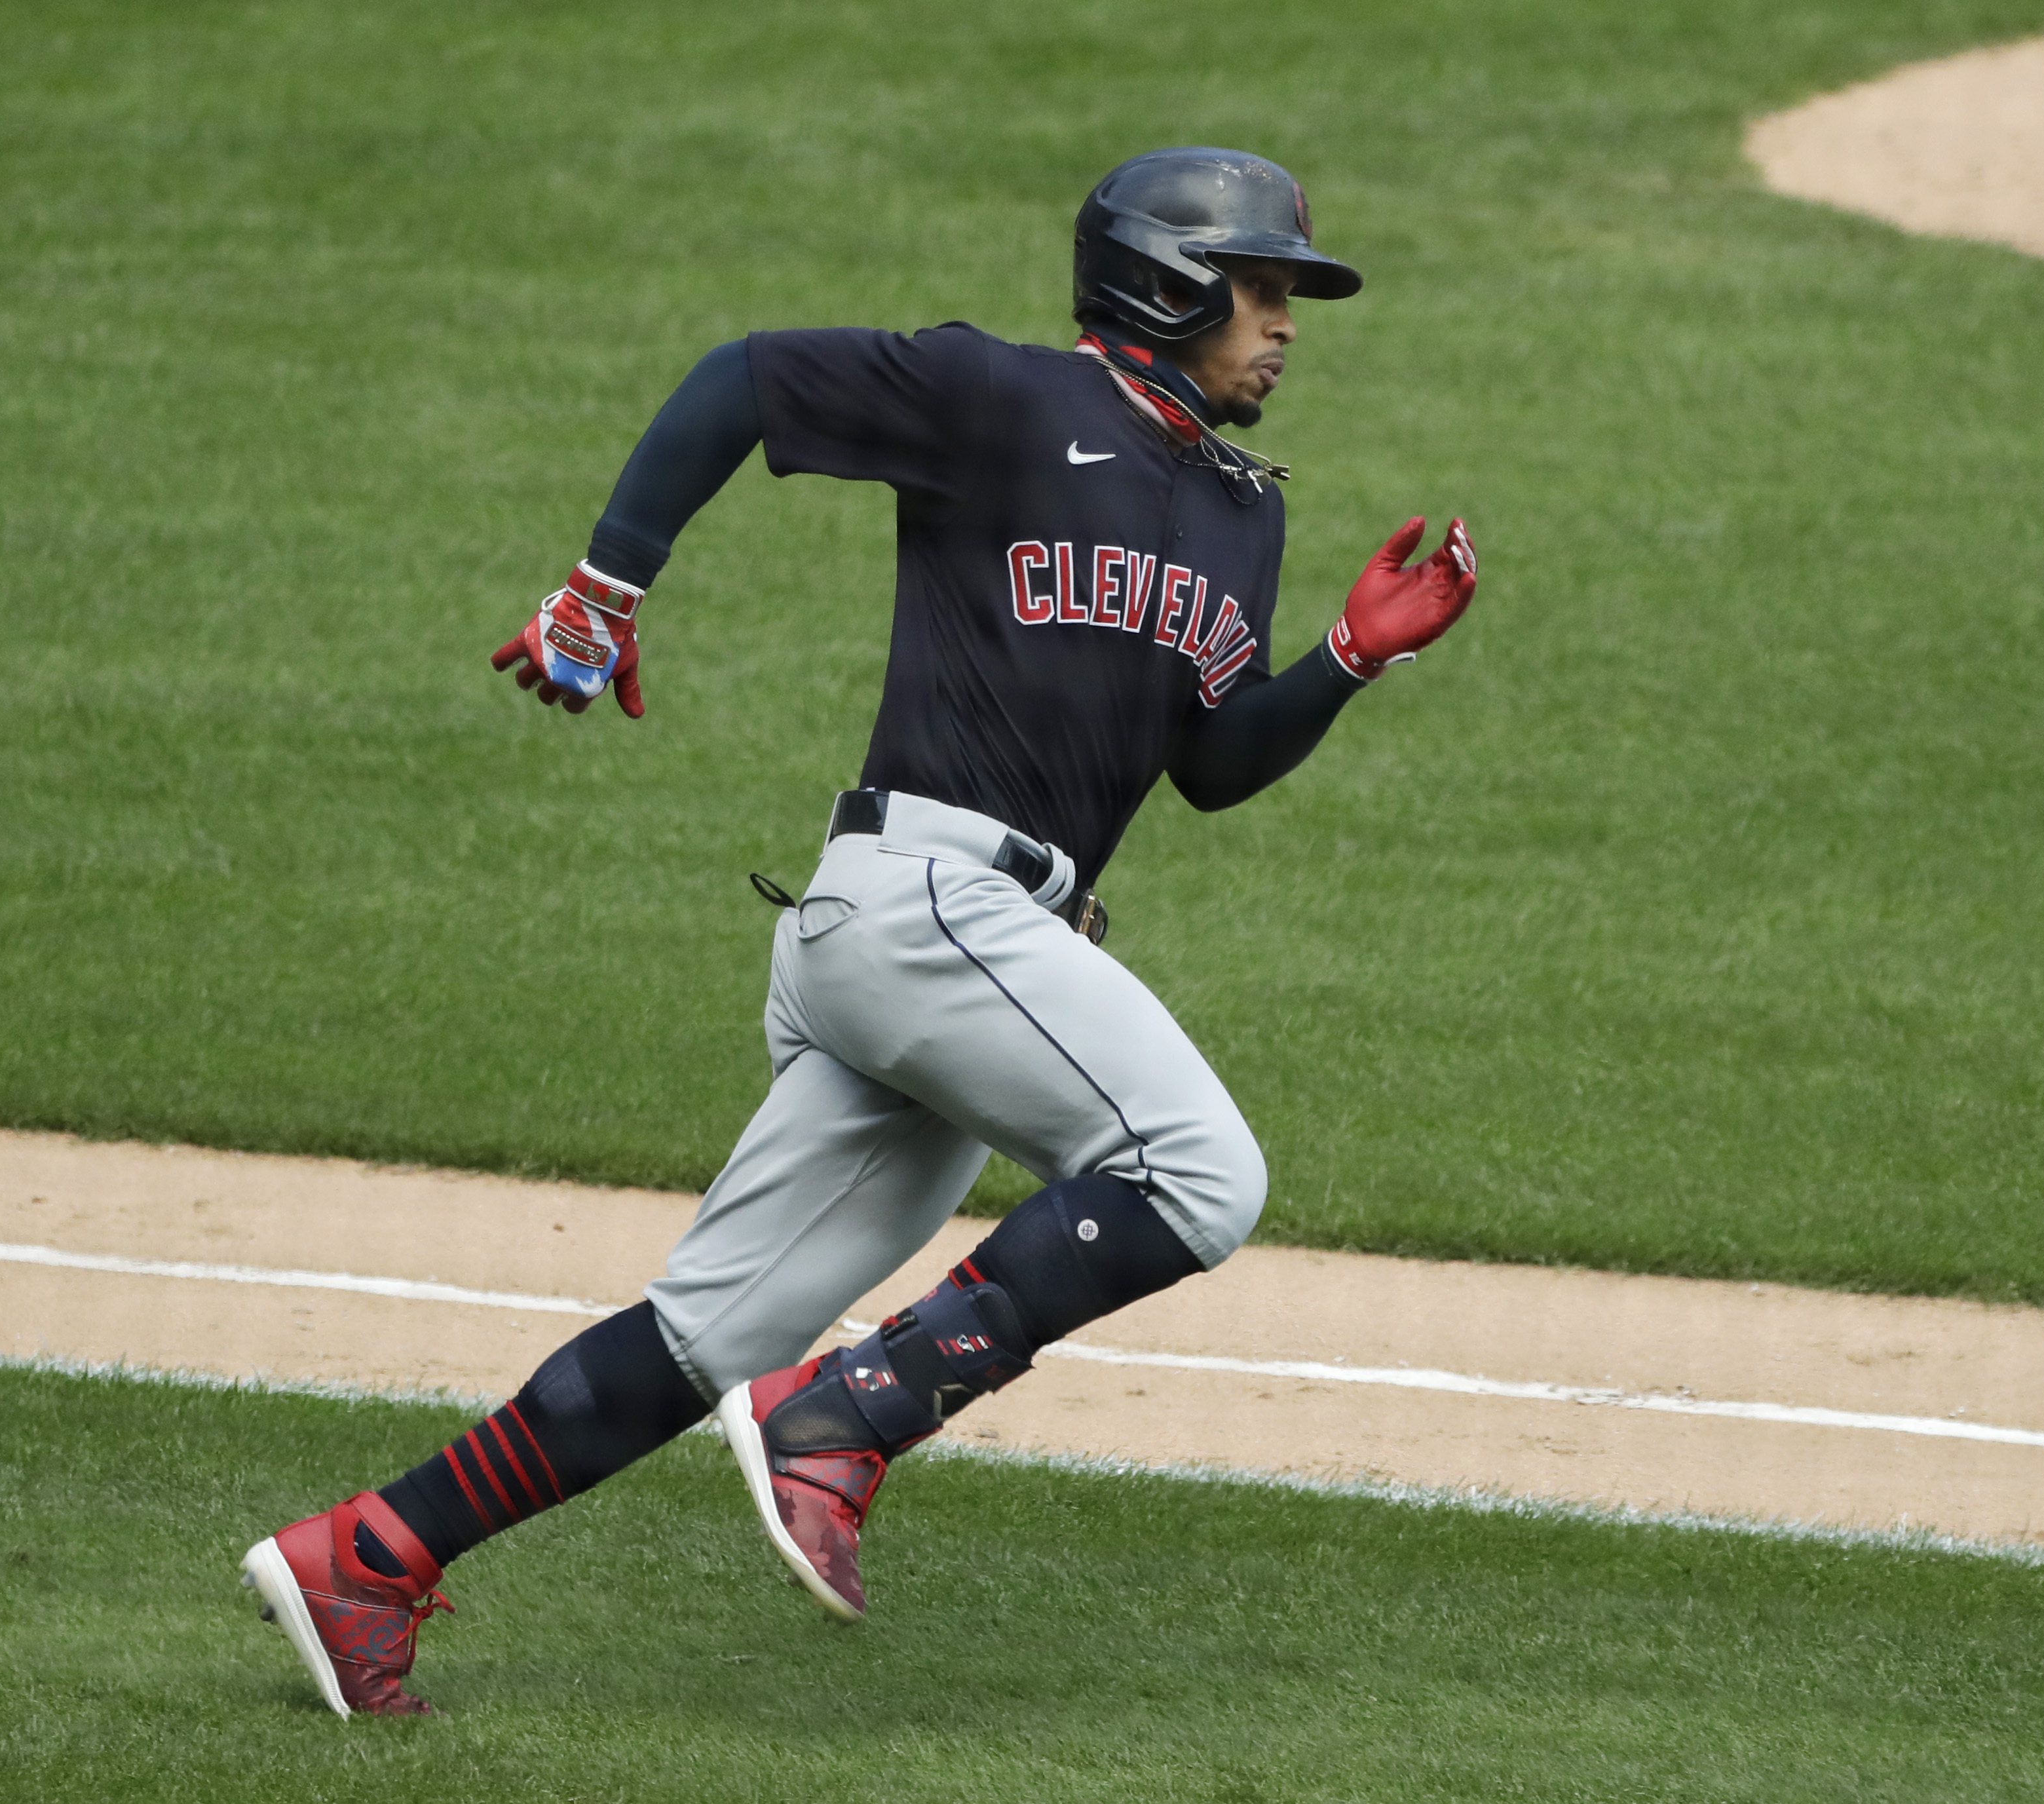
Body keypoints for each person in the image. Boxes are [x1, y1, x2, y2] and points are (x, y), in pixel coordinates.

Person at [240, 146, 1478, 1718]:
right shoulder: (1004, 401)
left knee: (704, 1334)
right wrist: (606, 586)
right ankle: (847, 1416)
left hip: (959, 950)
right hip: (923, 907)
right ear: (1164, 283)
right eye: (1262, 284)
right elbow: (746, 384)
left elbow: (1212, 767)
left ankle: (370, 1557)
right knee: (1200, 1169)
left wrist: (1346, 663)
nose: (1288, 319)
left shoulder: (1240, 515)